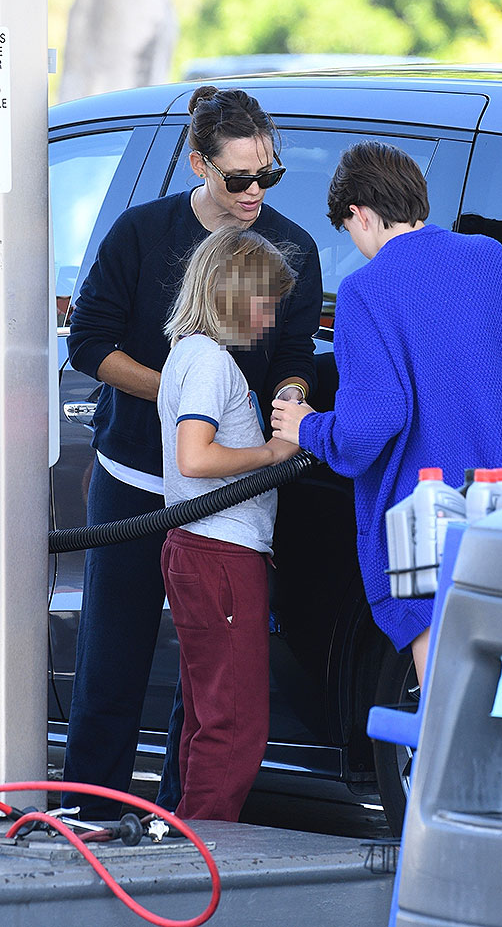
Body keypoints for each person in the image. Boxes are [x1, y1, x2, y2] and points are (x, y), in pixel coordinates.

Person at [64, 85, 322, 819]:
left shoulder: (293, 245)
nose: (254, 192)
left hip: (223, 494)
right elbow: (89, 343)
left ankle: (179, 825)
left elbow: (295, 351)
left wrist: (289, 400)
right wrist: (184, 398)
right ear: (199, 164)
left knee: (207, 674)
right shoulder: (142, 232)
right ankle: (90, 814)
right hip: (134, 476)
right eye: (238, 177)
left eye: (268, 175)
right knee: (112, 657)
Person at [271, 140, 502, 684]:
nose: (357, 245)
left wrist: (306, 426)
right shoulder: (491, 256)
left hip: (431, 520)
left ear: (358, 213)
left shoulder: (365, 291)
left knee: (449, 706)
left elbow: (368, 428)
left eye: (348, 230)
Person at [158, 226, 298, 820]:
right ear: (232, 294)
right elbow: (196, 456)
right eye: (265, 302)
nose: (270, 319)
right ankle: (208, 847)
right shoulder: (213, 363)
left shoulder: (185, 353)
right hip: (222, 553)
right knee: (234, 723)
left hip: (193, 548)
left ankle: (188, 832)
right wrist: (272, 452)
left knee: (204, 713)